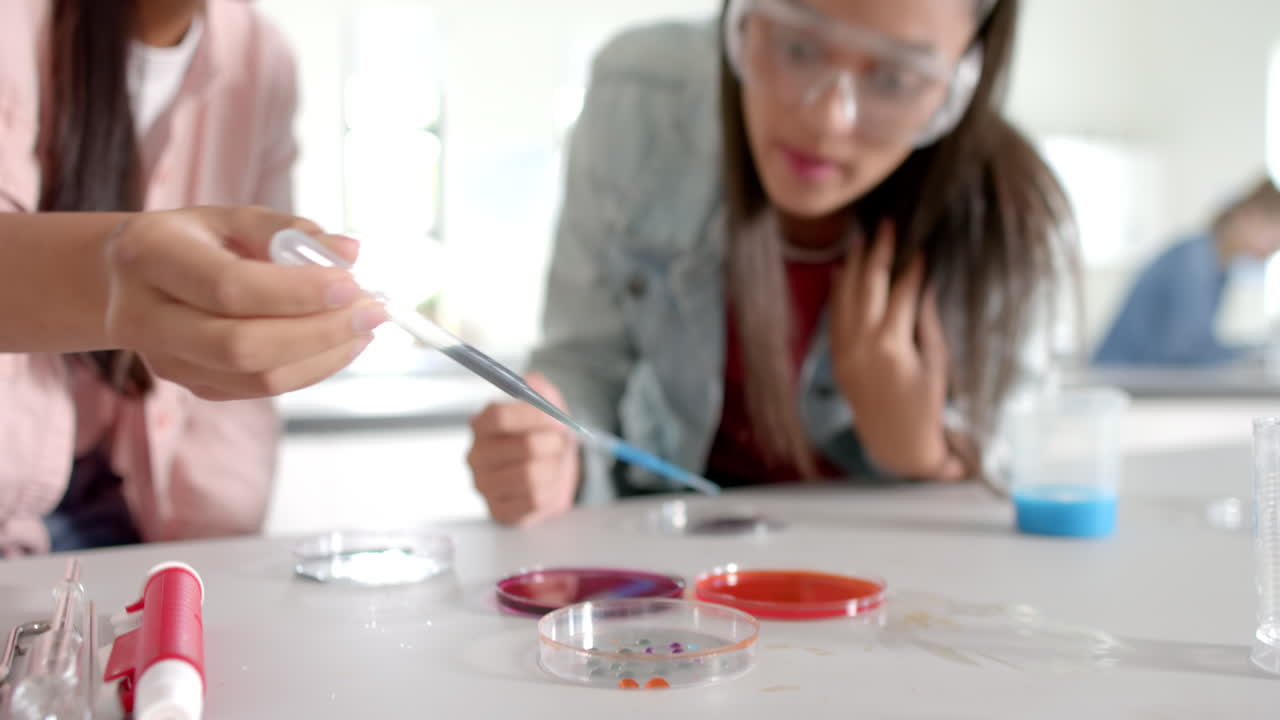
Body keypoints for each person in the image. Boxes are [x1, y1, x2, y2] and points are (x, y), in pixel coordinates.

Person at [467, 0, 1074, 526]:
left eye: (894, 79)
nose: (825, 118)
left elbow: (1018, 474)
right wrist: (558, 457)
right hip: (667, 558)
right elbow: (586, 365)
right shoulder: (639, 99)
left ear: (963, 82)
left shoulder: (1007, 215)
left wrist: (924, 456)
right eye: (797, 47)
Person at [0, 0, 386, 555]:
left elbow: (231, 403)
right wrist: (117, 282)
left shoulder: (259, 57)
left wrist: (213, 558)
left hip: (120, 505)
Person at [1093, 176, 1280, 367]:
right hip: (1123, 376)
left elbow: (1200, 345)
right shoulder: (1194, 262)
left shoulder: (1216, 265)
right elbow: (1186, 353)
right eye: (1274, 241)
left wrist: (1255, 351)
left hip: (1144, 375)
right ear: (1250, 216)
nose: (1271, 251)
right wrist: (1251, 354)